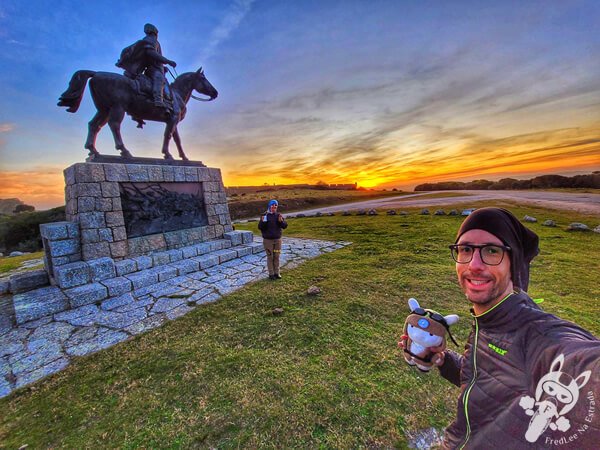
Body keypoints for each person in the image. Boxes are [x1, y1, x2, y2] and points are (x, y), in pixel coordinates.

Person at [405, 207, 599, 449]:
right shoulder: (487, 319)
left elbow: (581, 360)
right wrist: (442, 360)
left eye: (492, 251)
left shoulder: (539, 334)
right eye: (465, 249)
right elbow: (488, 376)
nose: (474, 265)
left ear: (513, 262)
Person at [116, 23, 177, 108]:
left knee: (164, 81)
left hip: (155, 67)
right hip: (153, 69)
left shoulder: (151, 40)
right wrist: (167, 61)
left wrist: (163, 66)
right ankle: (158, 99)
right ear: (154, 32)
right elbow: (151, 53)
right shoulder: (151, 40)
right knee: (160, 79)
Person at [258, 200, 288, 280]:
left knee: (277, 256)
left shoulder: (278, 215)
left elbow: (285, 226)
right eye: (272, 205)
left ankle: (277, 273)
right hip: (268, 241)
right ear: (269, 206)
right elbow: (260, 227)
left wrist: (281, 222)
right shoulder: (265, 215)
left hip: (277, 241)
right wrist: (263, 222)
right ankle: (271, 274)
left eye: (275, 205)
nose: (274, 207)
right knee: (270, 257)